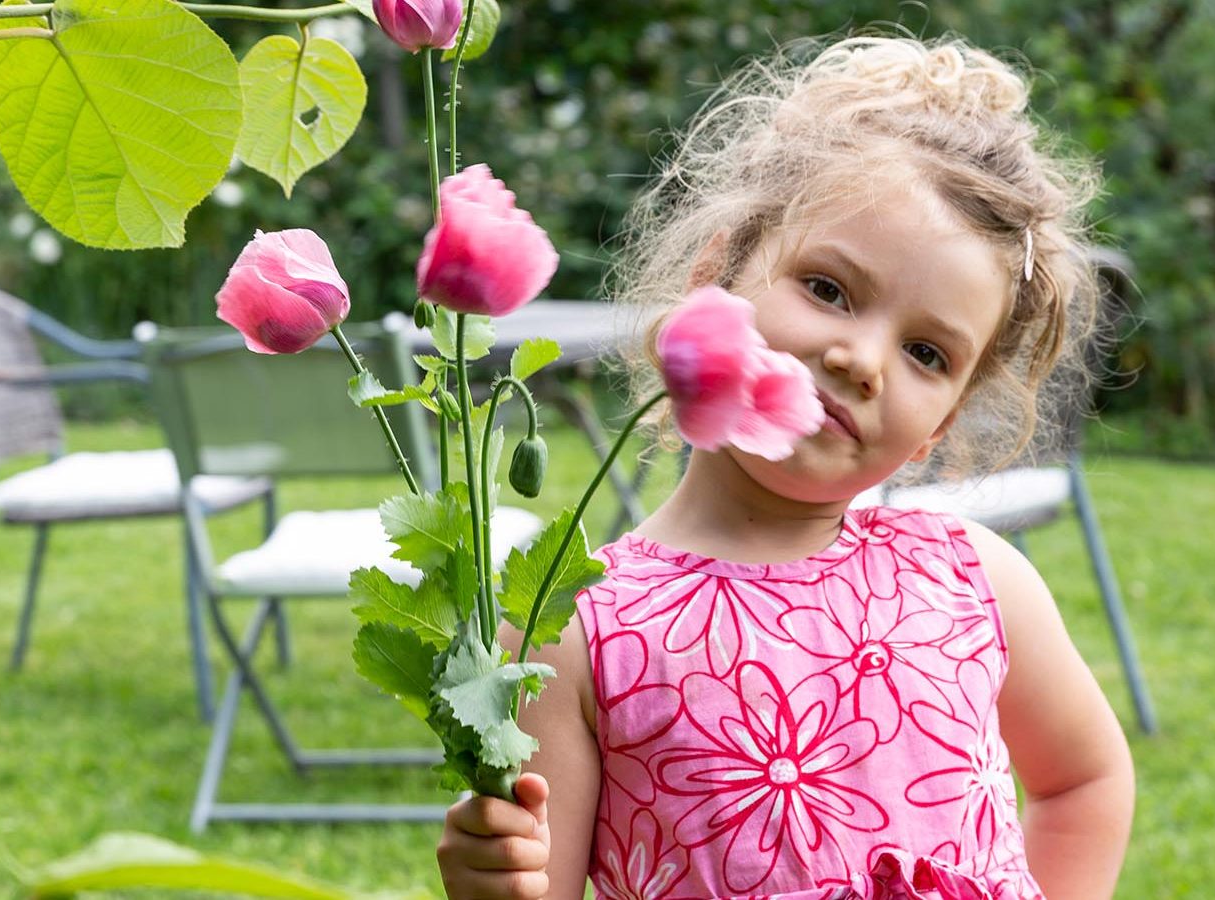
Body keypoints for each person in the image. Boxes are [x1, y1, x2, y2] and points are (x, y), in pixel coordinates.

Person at [438, 33, 1134, 900]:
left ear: (940, 426)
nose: (862, 359)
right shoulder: (570, 629)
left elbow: (1084, 781)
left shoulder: (979, 584)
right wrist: (493, 882)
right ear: (712, 277)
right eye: (829, 290)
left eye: (925, 352)